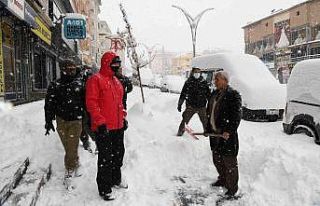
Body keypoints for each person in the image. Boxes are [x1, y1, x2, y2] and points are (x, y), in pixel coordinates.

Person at [86, 51, 127, 201]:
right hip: (104, 128)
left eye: (118, 64)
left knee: (119, 154)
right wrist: (99, 122)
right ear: (106, 64)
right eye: (114, 64)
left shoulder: (116, 81)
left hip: (118, 126)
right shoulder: (95, 80)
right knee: (106, 158)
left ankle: (115, 179)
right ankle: (104, 188)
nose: (117, 66)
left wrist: (123, 118)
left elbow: (119, 104)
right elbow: (92, 103)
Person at [44, 59, 85, 189]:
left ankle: (69, 169)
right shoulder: (55, 85)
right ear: (63, 69)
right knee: (67, 145)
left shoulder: (80, 84)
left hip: (76, 120)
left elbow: (86, 102)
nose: (71, 71)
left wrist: (87, 118)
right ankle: (76, 161)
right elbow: (49, 104)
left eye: (73, 69)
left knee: (72, 145)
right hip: (61, 120)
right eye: (68, 68)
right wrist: (48, 121)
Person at [206, 71, 242, 198]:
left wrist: (229, 131)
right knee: (217, 160)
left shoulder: (233, 95)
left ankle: (232, 188)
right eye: (215, 79)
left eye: (217, 79)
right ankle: (223, 179)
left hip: (226, 136)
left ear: (225, 80)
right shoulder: (214, 94)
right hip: (215, 135)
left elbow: (236, 116)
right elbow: (209, 113)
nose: (215, 81)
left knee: (229, 162)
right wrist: (207, 128)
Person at [177, 67, 210, 136]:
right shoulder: (188, 82)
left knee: (205, 121)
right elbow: (183, 94)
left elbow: (208, 94)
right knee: (185, 120)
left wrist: (210, 104)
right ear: (192, 73)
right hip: (190, 106)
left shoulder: (204, 82)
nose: (197, 73)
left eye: (198, 72)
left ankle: (207, 133)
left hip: (202, 106)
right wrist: (180, 104)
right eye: (195, 72)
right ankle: (180, 132)